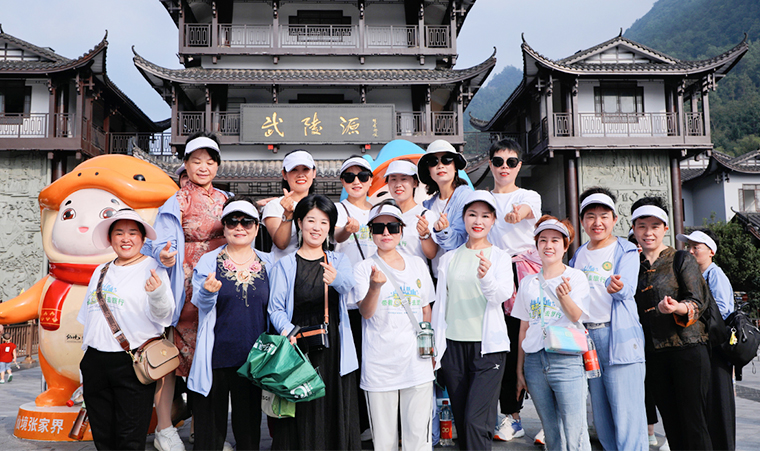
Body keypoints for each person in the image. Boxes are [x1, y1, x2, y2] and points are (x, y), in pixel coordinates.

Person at [148, 131, 229, 451]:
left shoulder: (226, 199)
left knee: (207, 359)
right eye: (196, 161)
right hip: (185, 285)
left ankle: (203, 430)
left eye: (210, 161)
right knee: (170, 360)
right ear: (186, 164)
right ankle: (164, 429)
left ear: (218, 166)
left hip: (219, 281)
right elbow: (159, 241)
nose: (203, 167)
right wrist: (164, 255)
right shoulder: (178, 199)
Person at [268, 194, 361, 450]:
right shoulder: (285, 264)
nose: (316, 227)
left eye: (323, 222)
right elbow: (275, 308)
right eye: (310, 220)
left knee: (332, 403)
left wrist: (336, 279)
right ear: (299, 223)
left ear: (330, 227)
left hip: (333, 345)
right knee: (302, 407)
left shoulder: (338, 260)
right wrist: (288, 331)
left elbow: (349, 287)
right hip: (298, 345)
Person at [77, 209, 175, 450]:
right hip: (95, 362)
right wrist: (85, 366)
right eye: (119, 233)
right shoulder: (100, 271)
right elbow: (89, 319)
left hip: (132, 362)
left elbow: (164, 316)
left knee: (130, 437)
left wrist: (157, 294)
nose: (126, 238)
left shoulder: (153, 268)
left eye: (133, 232)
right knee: (102, 435)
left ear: (142, 238)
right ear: (110, 238)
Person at [188, 198, 274, 451]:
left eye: (246, 222)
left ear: (257, 228)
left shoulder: (270, 263)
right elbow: (200, 302)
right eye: (232, 222)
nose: (239, 227)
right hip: (216, 355)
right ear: (224, 227)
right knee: (209, 433)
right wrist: (208, 292)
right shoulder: (209, 261)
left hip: (254, 359)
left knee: (248, 431)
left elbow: (277, 308)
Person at [431, 190, 513, 450]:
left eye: (485, 216)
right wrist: (435, 347)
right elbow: (440, 306)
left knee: (476, 420)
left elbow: (501, 295)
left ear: (493, 220)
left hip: (488, 349)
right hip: (452, 348)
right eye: (472, 214)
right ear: (463, 218)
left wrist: (486, 277)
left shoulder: (500, 257)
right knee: (462, 418)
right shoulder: (449, 258)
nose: (478, 221)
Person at [352, 200, 435, 451]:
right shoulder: (363, 268)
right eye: (378, 228)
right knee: (384, 442)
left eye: (392, 227)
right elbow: (366, 313)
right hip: (380, 366)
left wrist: (430, 349)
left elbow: (425, 309)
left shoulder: (417, 264)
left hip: (417, 363)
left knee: (418, 440)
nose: (386, 233)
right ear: (370, 232)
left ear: (401, 230)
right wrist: (375, 287)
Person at [569, 188, 647, 451]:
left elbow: (628, 288)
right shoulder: (579, 254)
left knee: (627, 413)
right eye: (590, 216)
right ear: (582, 221)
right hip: (587, 340)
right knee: (601, 415)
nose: (597, 222)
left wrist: (618, 287)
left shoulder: (627, 250)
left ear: (614, 219)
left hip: (618, 336)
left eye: (604, 216)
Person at [632, 197, 712, 450]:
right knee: (672, 423)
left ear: (665, 229)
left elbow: (698, 300)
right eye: (642, 226)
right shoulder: (631, 264)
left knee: (694, 422)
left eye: (655, 226)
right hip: (654, 354)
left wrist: (678, 307)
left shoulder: (681, 258)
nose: (648, 232)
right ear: (633, 228)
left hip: (687, 348)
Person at [513, 216, 591, 451]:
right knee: (551, 431)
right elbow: (524, 327)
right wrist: (519, 369)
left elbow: (576, 316)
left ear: (565, 246)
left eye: (555, 240)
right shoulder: (527, 282)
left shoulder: (575, 277)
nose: (549, 245)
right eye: (543, 240)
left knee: (575, 431)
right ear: (536, 245)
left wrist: (563, 296)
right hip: (535, 362)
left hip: (567, 359)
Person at [485, 138, 542, 442]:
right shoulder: (483, 198)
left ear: (519, 165)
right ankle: (513, 416)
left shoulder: (528, 195)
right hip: (496, 274)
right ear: (490, 164)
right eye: (498, 162)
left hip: (527, 276)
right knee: (504, 344)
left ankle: (548, 417)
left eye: (510, 162)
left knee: (535, 342)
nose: (504, 167)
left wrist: (517, 214)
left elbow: (526, 211)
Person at [677, 229, 736, 451]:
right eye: (688, 247)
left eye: (696, 247)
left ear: (711, 251)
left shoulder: (715, 275)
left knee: (718, 403)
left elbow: (723, 311)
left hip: (716, 348)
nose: (690, 251)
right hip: (701, 346)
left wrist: (693, 311)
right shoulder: (694, 276)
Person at [418, 139, 472, 255]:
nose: (440, 166)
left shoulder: (466, 197)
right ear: (428, 170)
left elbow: (460, 240)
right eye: (433, 162)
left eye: (446, 160)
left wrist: (443, 231)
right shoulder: (427, 205)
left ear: (455, 167)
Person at [263, 150, 317, 262]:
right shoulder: (274, 206)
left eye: (305, 169)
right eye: (294, 170)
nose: (301, 175)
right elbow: (281, 243)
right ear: (284, 174)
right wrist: (287, 214)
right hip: (282, 267)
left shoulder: (321, 205)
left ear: (314, 173)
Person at [385, 160, 439, 262]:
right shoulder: (383, 215)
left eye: (404, 179)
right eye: (393, 179)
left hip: (416, 272)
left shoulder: (425, 216)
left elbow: (431, 254)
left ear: (415, 183)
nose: (398, 184)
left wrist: (425, 234)